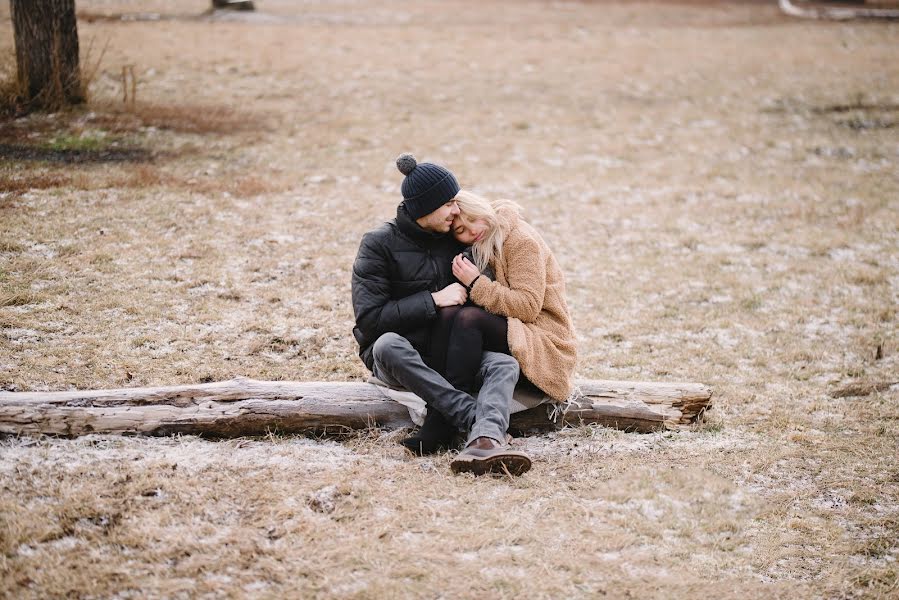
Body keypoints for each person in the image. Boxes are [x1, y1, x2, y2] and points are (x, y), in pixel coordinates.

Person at [351, 154, 532, 476]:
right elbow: (369, 320)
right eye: (449, 203)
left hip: (453, 353)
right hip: (405, 358)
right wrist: (433, 300)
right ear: (426, 207)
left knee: (504, 364)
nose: (456, 210)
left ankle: (485, 442)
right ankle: (477, 422)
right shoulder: (379, 244)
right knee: (386, 344)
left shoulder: (457, 240)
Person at [445, 190, 578, 407]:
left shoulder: (521, 241)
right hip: (517, 328)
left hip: (544, 339)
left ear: (482, 209)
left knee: (469, 319)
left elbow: (527, 307)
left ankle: (451, 409)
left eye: (473, 218)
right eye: (461, 229)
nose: (472, 230)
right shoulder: (484, 243)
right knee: (453, 315)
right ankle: (447, 397)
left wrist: (476, 283)